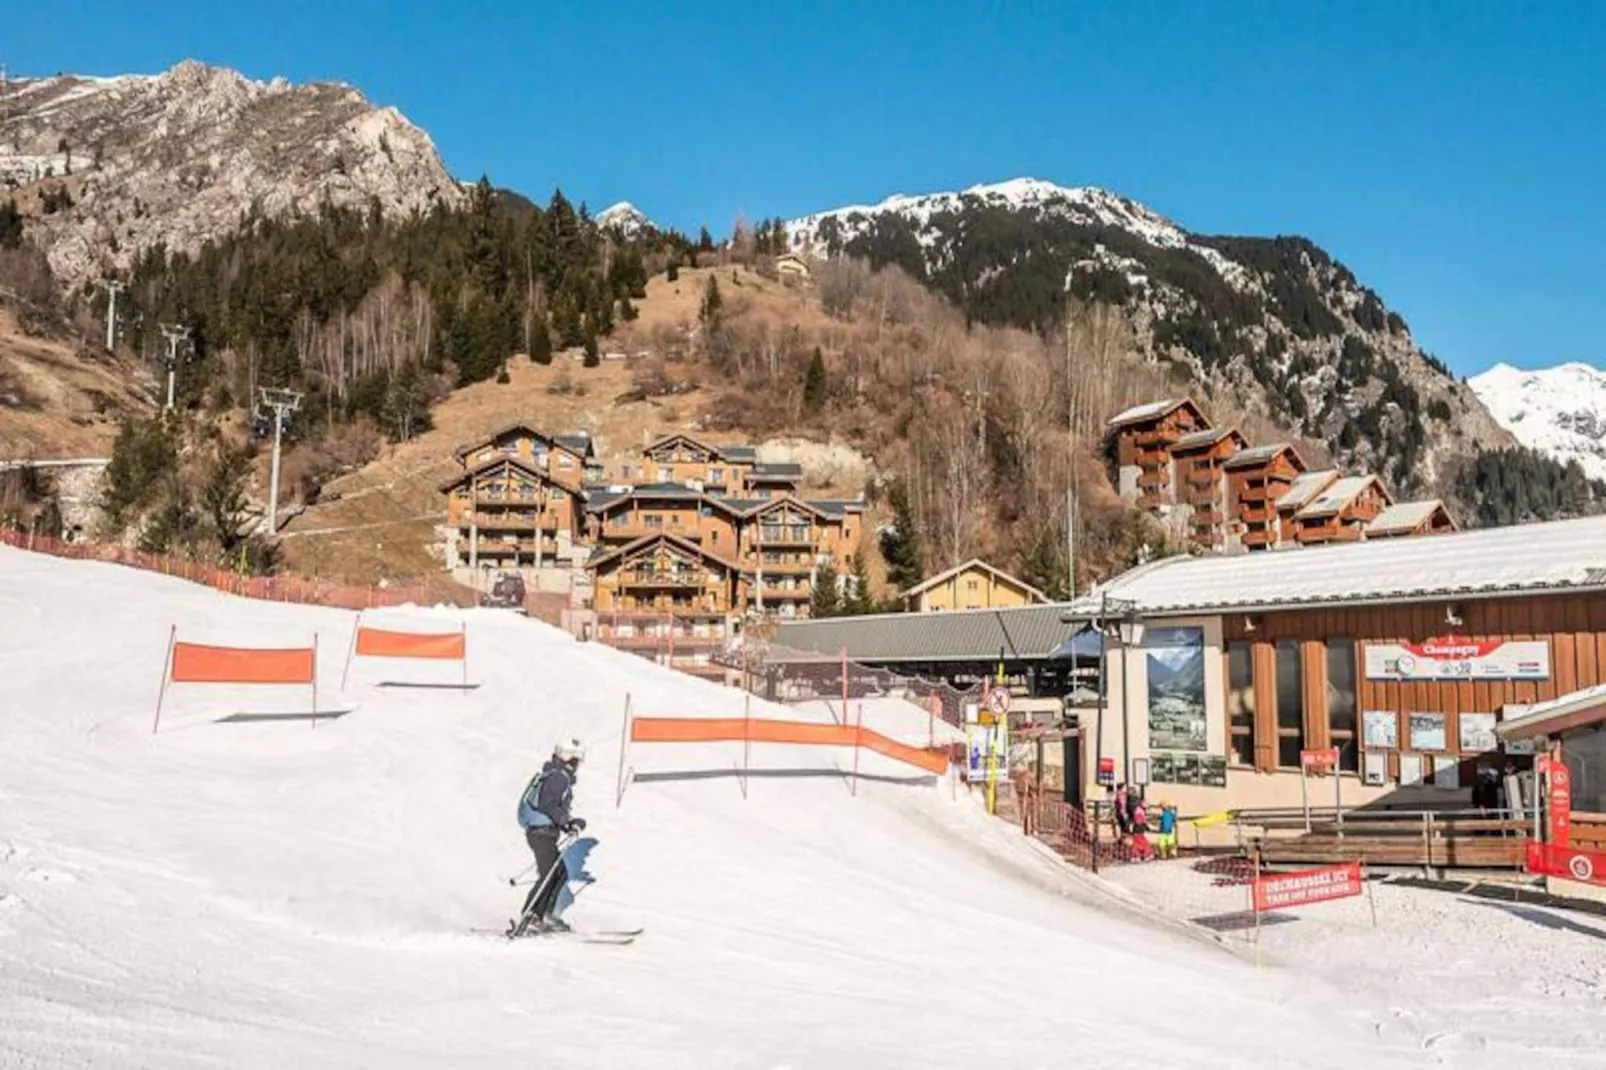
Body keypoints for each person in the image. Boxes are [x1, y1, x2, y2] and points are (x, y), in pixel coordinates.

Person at [516, 738, 587, 930]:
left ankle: (544, 916)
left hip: (542, 831)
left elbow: (551, 807)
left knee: (558, 873)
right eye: (576, 760)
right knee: (549, 875)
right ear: (568, 758)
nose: (578, 765)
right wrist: (568, 823)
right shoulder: (558, 778)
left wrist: (568, 823)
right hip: (541, 833)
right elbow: (549, 805)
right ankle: (531, 917)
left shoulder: (553, 774)